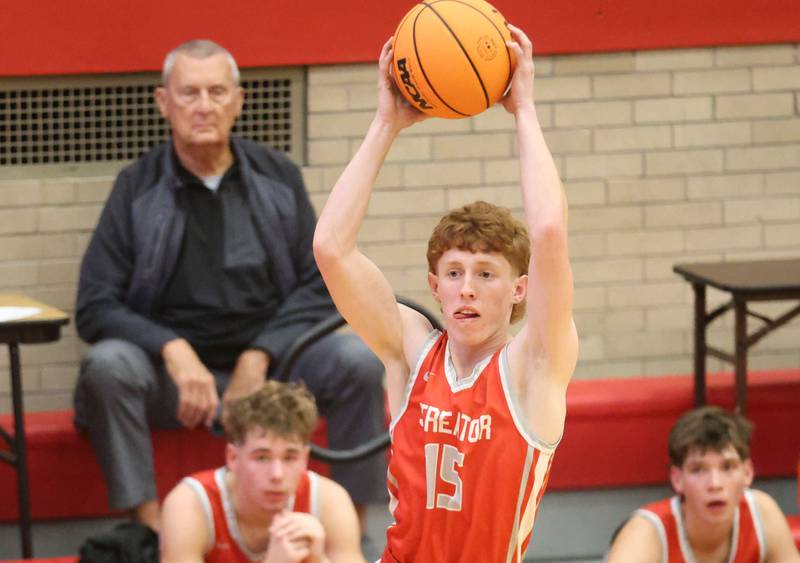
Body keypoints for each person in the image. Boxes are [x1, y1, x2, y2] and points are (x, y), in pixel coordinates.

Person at [73, 39, 386, 533]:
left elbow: (321, 283)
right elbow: (94, 304)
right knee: (107, 367)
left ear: (238, 102)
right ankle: (155, 533)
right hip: (174, 382)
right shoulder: (136, 186)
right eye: (190, 93)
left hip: (275, 370)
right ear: (164, 103)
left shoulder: (276, 176)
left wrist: (259, 355)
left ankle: (351, 532)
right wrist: (171, 349)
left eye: (217, 92)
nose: (204, 106)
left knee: (358, 363)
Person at [313, 24, 578, 563]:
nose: (468, 290)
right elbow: (330, 248)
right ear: (434, 287)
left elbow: (548, 232)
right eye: (454, 273)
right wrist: (386, 124)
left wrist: (523, 109)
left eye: (486, 274)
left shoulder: (534, 366)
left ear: (519, 288)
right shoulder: (411, 352)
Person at [160, 381, 365, 562]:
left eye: (289, 457)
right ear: (232, 457)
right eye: (262, 457)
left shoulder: (329, 500)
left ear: (304, 458)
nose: (277, 474)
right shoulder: (191, 504)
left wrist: (319, 560)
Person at [607, 406, 800, 562]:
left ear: (747, 472)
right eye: (699, 470)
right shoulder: (646, 533)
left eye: (727, 467)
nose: (715, 484)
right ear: (677, 479)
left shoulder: (762, 513)